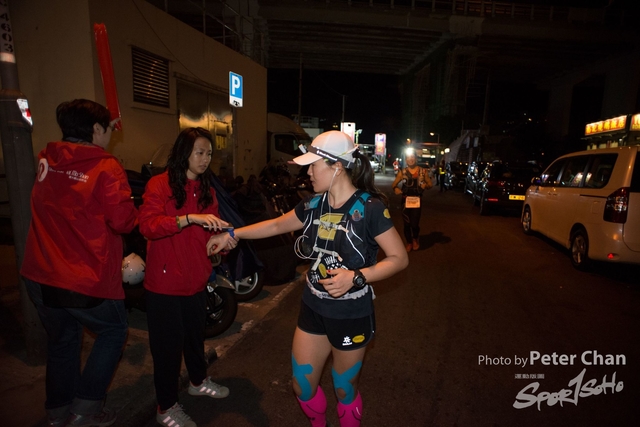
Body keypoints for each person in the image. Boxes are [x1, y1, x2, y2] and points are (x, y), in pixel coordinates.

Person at [212, 131, 408, 427]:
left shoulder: (370, 208)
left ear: (337, 166)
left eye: (313, 165)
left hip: (351, 314)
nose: (308, 173)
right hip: (313, 308)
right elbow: (276, 225)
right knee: (302, 386)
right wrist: (232, 234)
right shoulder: (313, 204)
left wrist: (356, 277)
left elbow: (399, 258)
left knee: (344, 390)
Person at [20, 99, 138, 427]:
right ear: (96, 129)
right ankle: (86, 409)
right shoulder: (105, 166)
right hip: (83, 276)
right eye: (108, 128)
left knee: (63, 340)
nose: (110, 135)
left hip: (41, 272)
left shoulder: (46, 159)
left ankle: (58, 413)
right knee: (113, 331)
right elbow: (123, 221)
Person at [138, 127, 237, 427]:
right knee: (167, 350)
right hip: (165, 285)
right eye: (199, 152)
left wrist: (222, 243)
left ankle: (198, 381)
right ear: (184, 153)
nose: (205, 159)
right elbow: (148, 226)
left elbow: (211, 235)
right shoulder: (159, 184)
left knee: (195, 339)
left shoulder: (207, 190)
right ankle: (166, 407)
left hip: (197, 280)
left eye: (209, 153)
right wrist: (188, 218)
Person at [391, 148, 432, 252]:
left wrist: (425, 186)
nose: (411, 159)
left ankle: (415, 239)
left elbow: (430, 184)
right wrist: (396, 189)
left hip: (417, 201)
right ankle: (409, 242)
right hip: (405, 201)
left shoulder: (422, 171)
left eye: (412, 157)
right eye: (408, 157)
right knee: (406, 224)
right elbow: (394, 185)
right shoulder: (403, 172)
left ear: (416, 158)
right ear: (406, 159)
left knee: (414, 223)